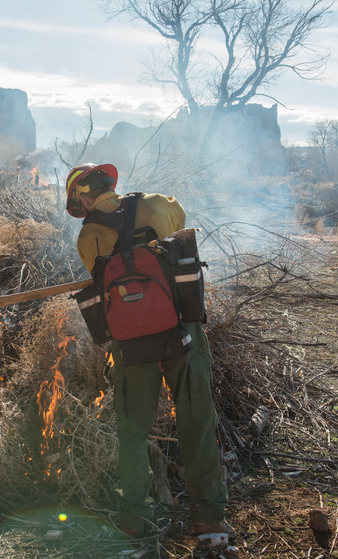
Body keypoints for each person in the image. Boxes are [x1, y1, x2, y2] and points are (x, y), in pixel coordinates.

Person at [65, 162, 235, 539]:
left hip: (130, 341)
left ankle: (135, 519)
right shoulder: (159, 203)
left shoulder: (88, 235)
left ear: (83, 197)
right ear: (110, 182)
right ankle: (208, 516)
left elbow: (101, 280)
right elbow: (182, 232)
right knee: (197, 421)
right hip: (182, 329)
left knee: (132, 431)